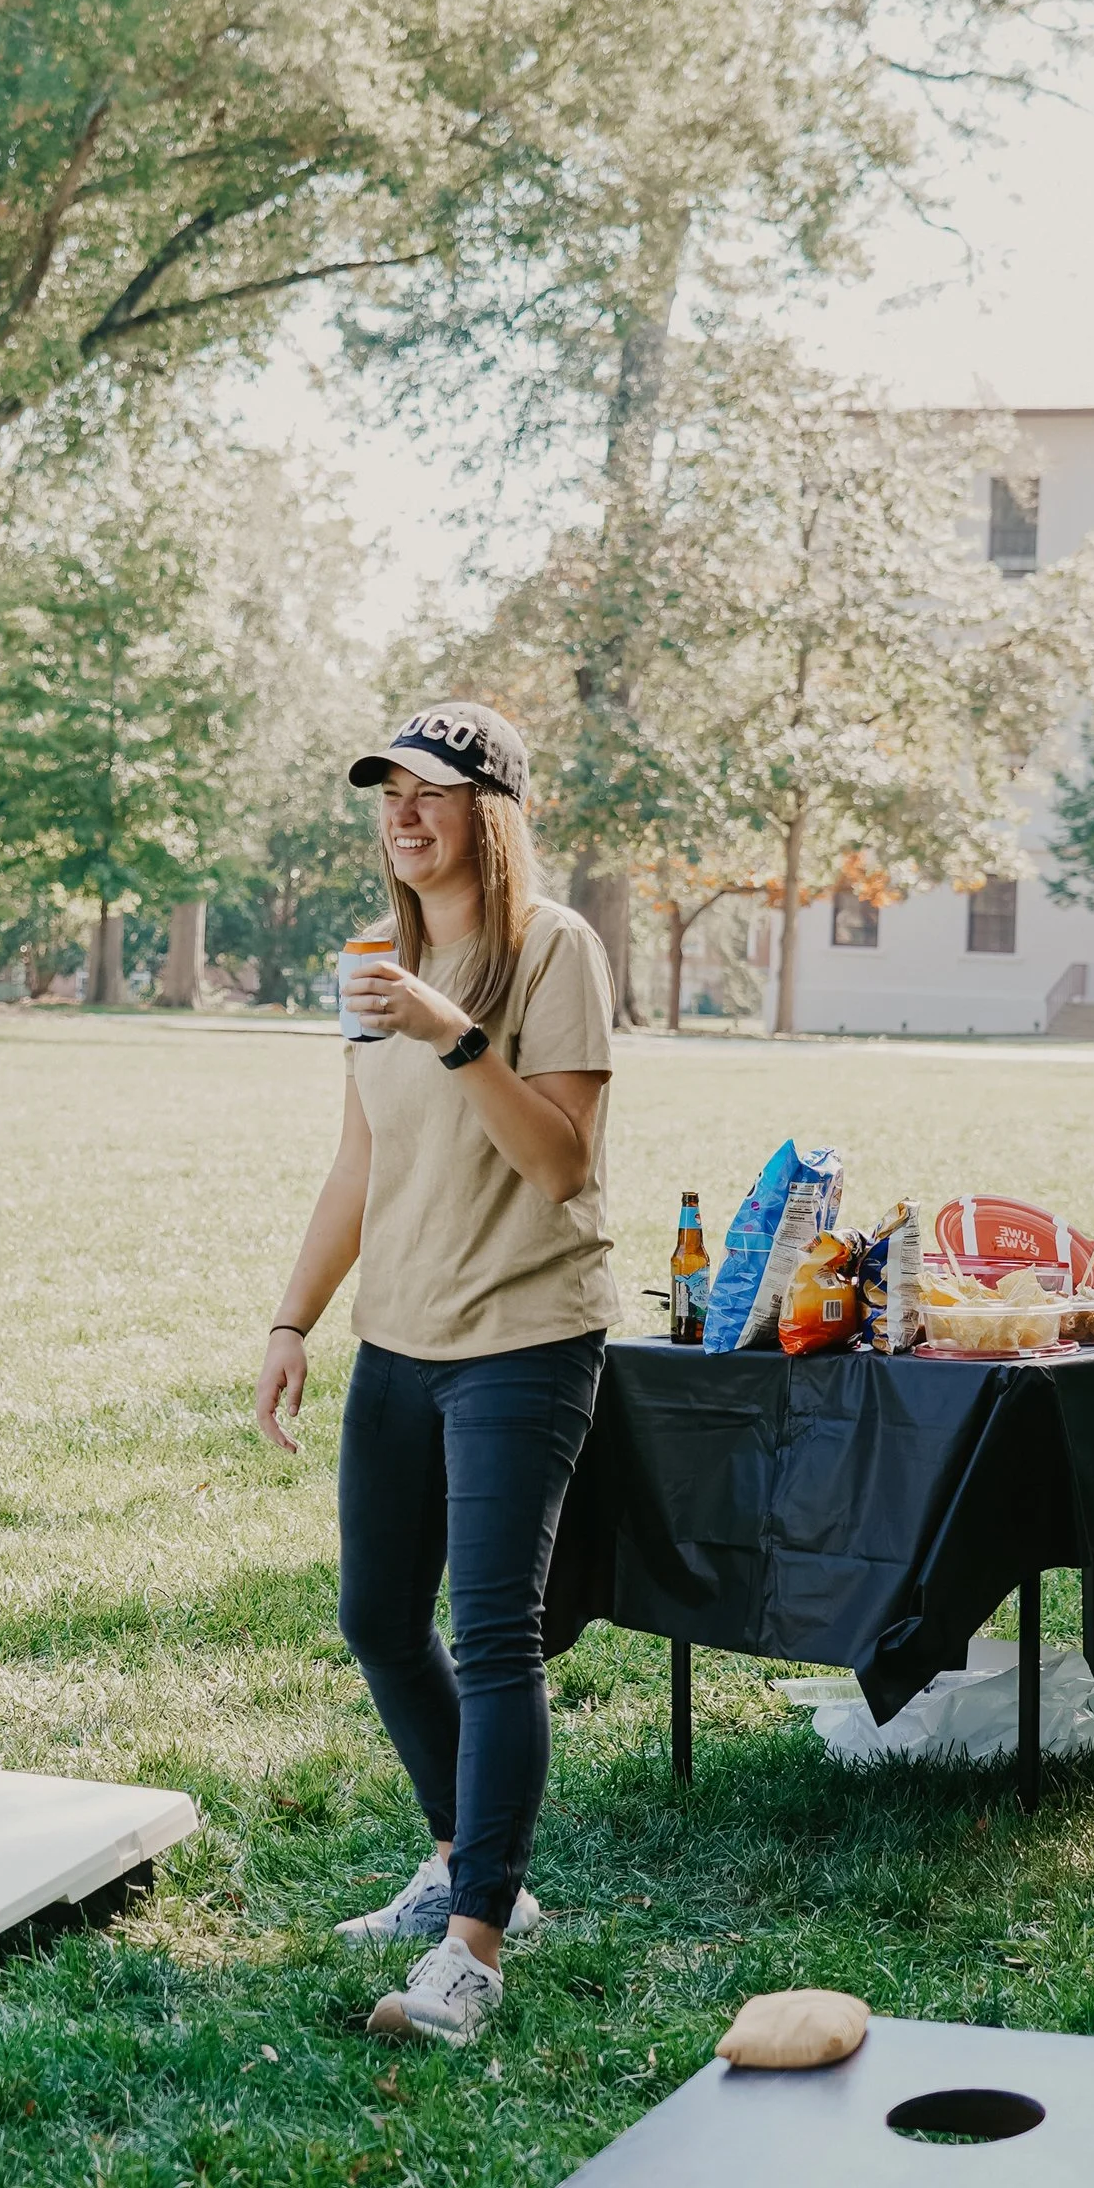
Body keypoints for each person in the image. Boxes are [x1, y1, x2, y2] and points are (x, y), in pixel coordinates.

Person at [254, 700, 617, 2050]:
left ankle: (474, 1948)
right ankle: (472, 1858)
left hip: (526, 1333)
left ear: (492, 812)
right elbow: (362, 1161)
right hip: (400, 1335)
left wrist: (455, 1029)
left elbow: (562, 1161)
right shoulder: (368, 959)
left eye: (434, 792)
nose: (404, 816)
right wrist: (294, 1318)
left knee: (497, 1630)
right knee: (375, 1615)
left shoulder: (555, 950)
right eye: (387, 793)